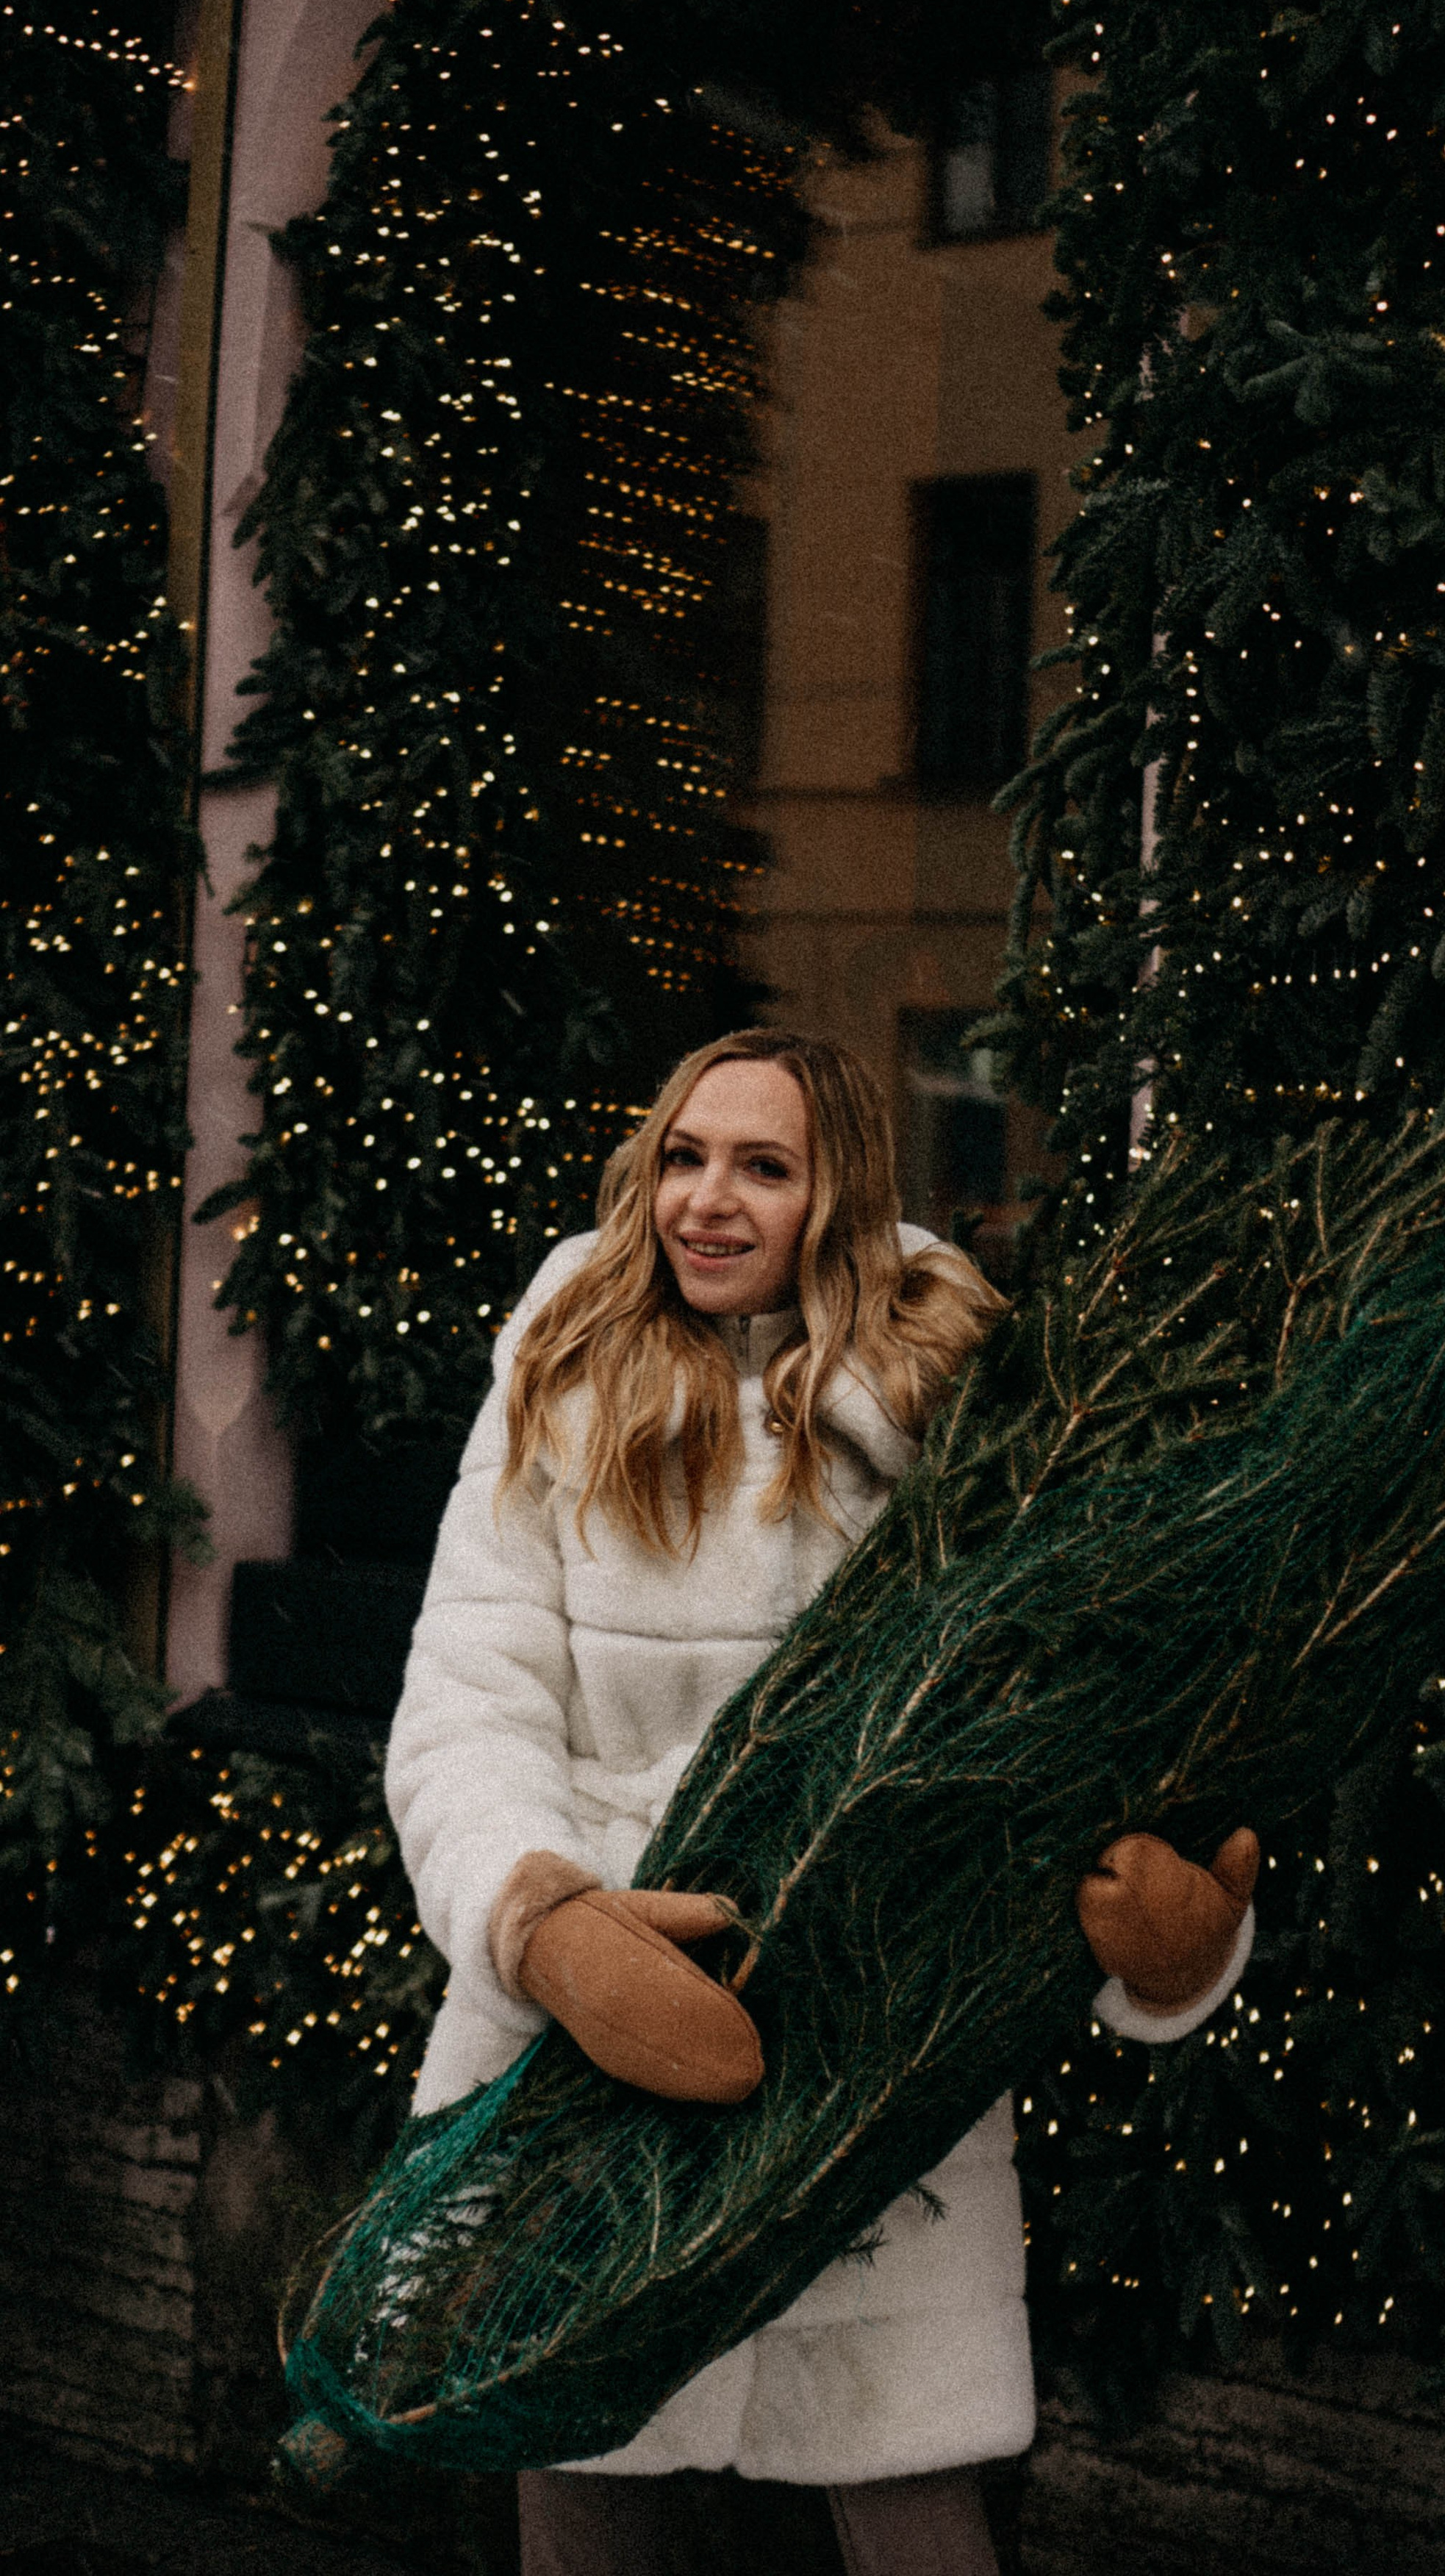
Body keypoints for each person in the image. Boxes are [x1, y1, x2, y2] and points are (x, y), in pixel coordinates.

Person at [387, 1029, 1259, 2576]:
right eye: (681, 1155)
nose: (705, 1202)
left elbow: (1057, 1721)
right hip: (593, 2053)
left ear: (837, 1194)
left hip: (869, 2056)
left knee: (913, 2515)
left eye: (762, 1167)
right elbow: (468, 1702)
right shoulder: (564, 1368)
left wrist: (1165, 1953)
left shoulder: (949, 1404)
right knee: (588, 2510)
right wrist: (542, 1923)